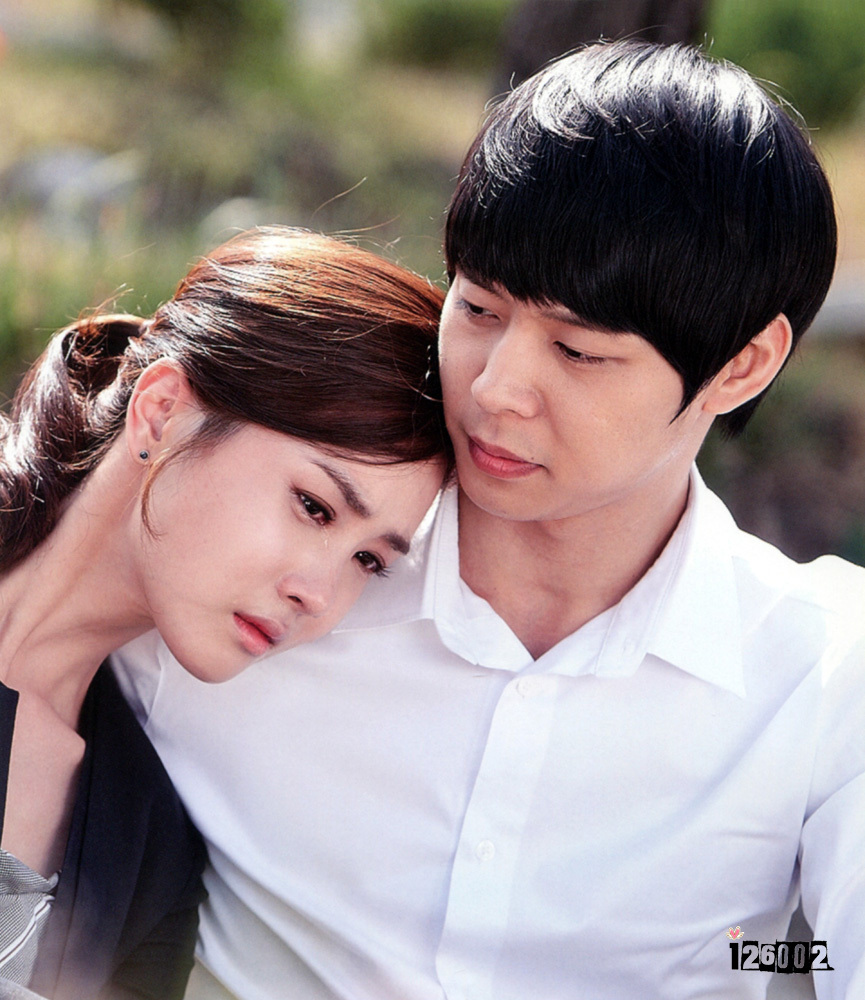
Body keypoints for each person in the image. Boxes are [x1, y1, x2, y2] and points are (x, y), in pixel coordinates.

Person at [114, 42, 865, 1000]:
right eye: (476, 308)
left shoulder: (820, 674)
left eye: (579, 352)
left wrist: (744, 964)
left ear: (743, 365)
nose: (496, 389)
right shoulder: (262, 570)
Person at [0, 227, 450, 999]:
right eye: (314, 506)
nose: (320, 595)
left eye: (368, 561)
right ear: (161, 414)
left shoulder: (147, 853)